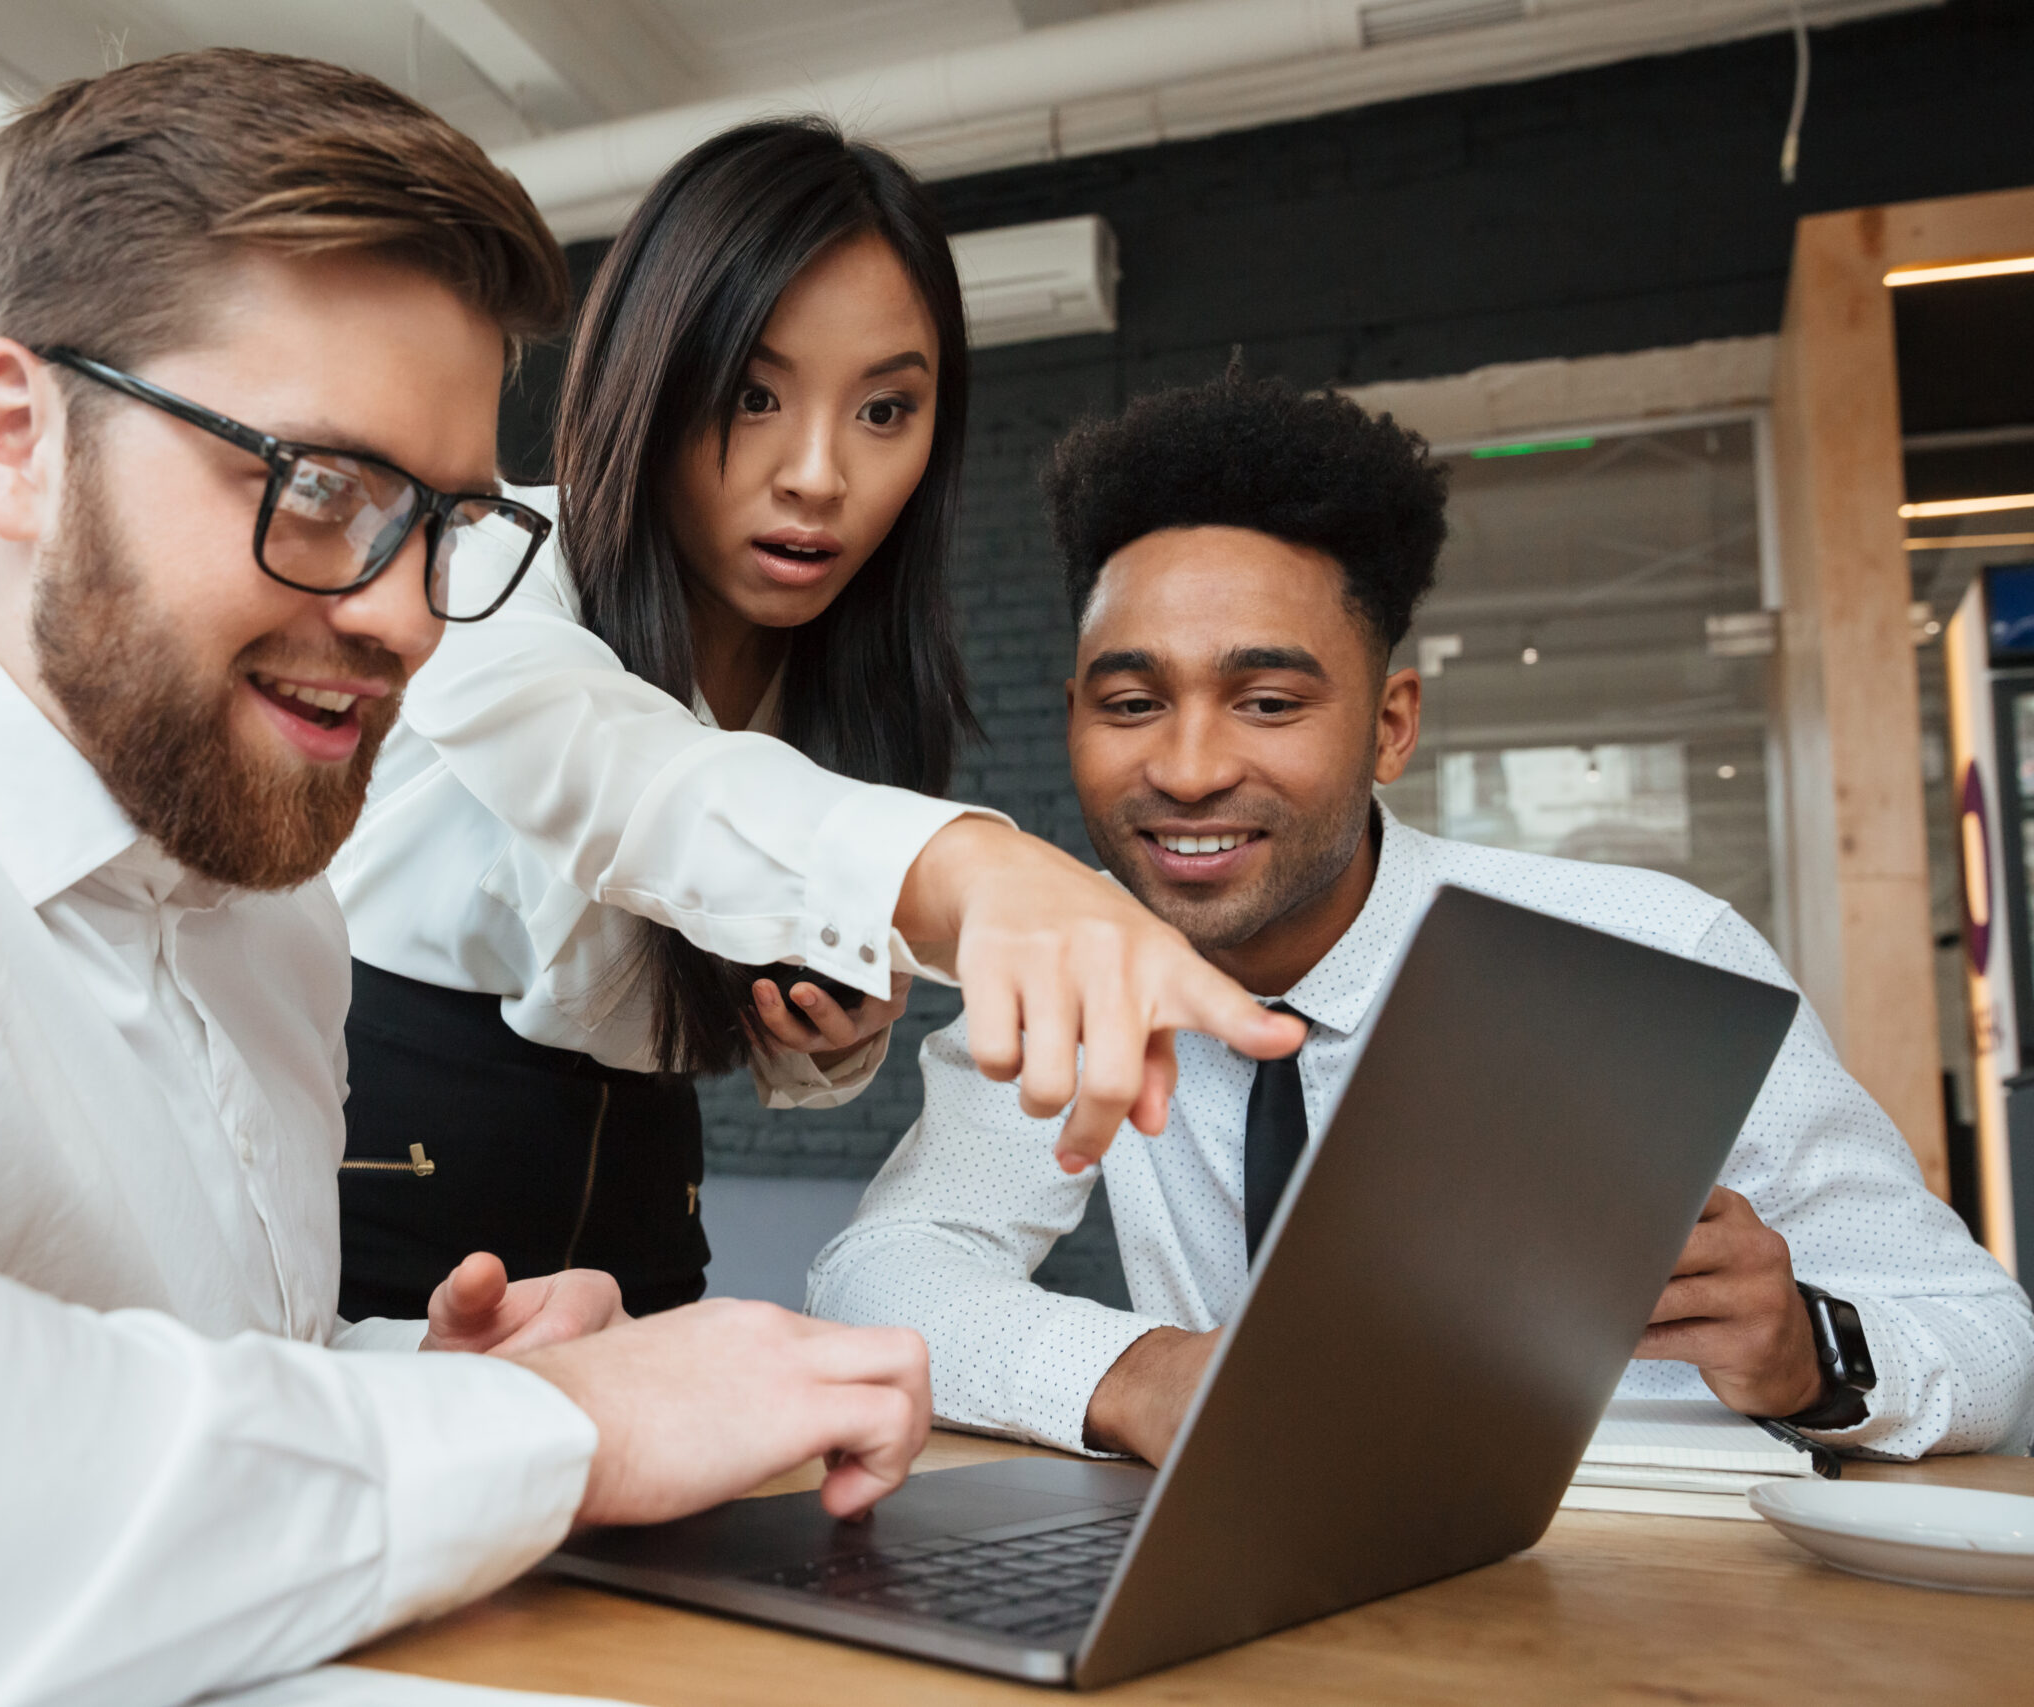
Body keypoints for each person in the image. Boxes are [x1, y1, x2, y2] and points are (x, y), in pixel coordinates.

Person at [0, 53, 936, 1707]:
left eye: (445, 520)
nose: (405, 618)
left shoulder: (274, 921)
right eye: (319, 490)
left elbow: (201, 1367)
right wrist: (546, 1430)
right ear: (17, 440)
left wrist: (417, 1373)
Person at [810, 370, 2034, 1464]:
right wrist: (1135, 1375)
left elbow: (1993, 1349)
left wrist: (1807, 1352)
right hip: (1266, 1583)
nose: (1184, 769)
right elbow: (878, 1274)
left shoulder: (1652, 955)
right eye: (1131, 703)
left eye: (1268, 701)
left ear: (1391, 723)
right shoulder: (1075, 976)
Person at [329, 120, 1298, 1321]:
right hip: (387, 1178)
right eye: (754, 394)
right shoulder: (486, 570)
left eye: (884, 411)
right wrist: (974, 870)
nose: (818, 475)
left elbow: (703, 990)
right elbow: (635, 790)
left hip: (646, 1203)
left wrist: (830, 1030)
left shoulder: (839, 684)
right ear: (650, 372)